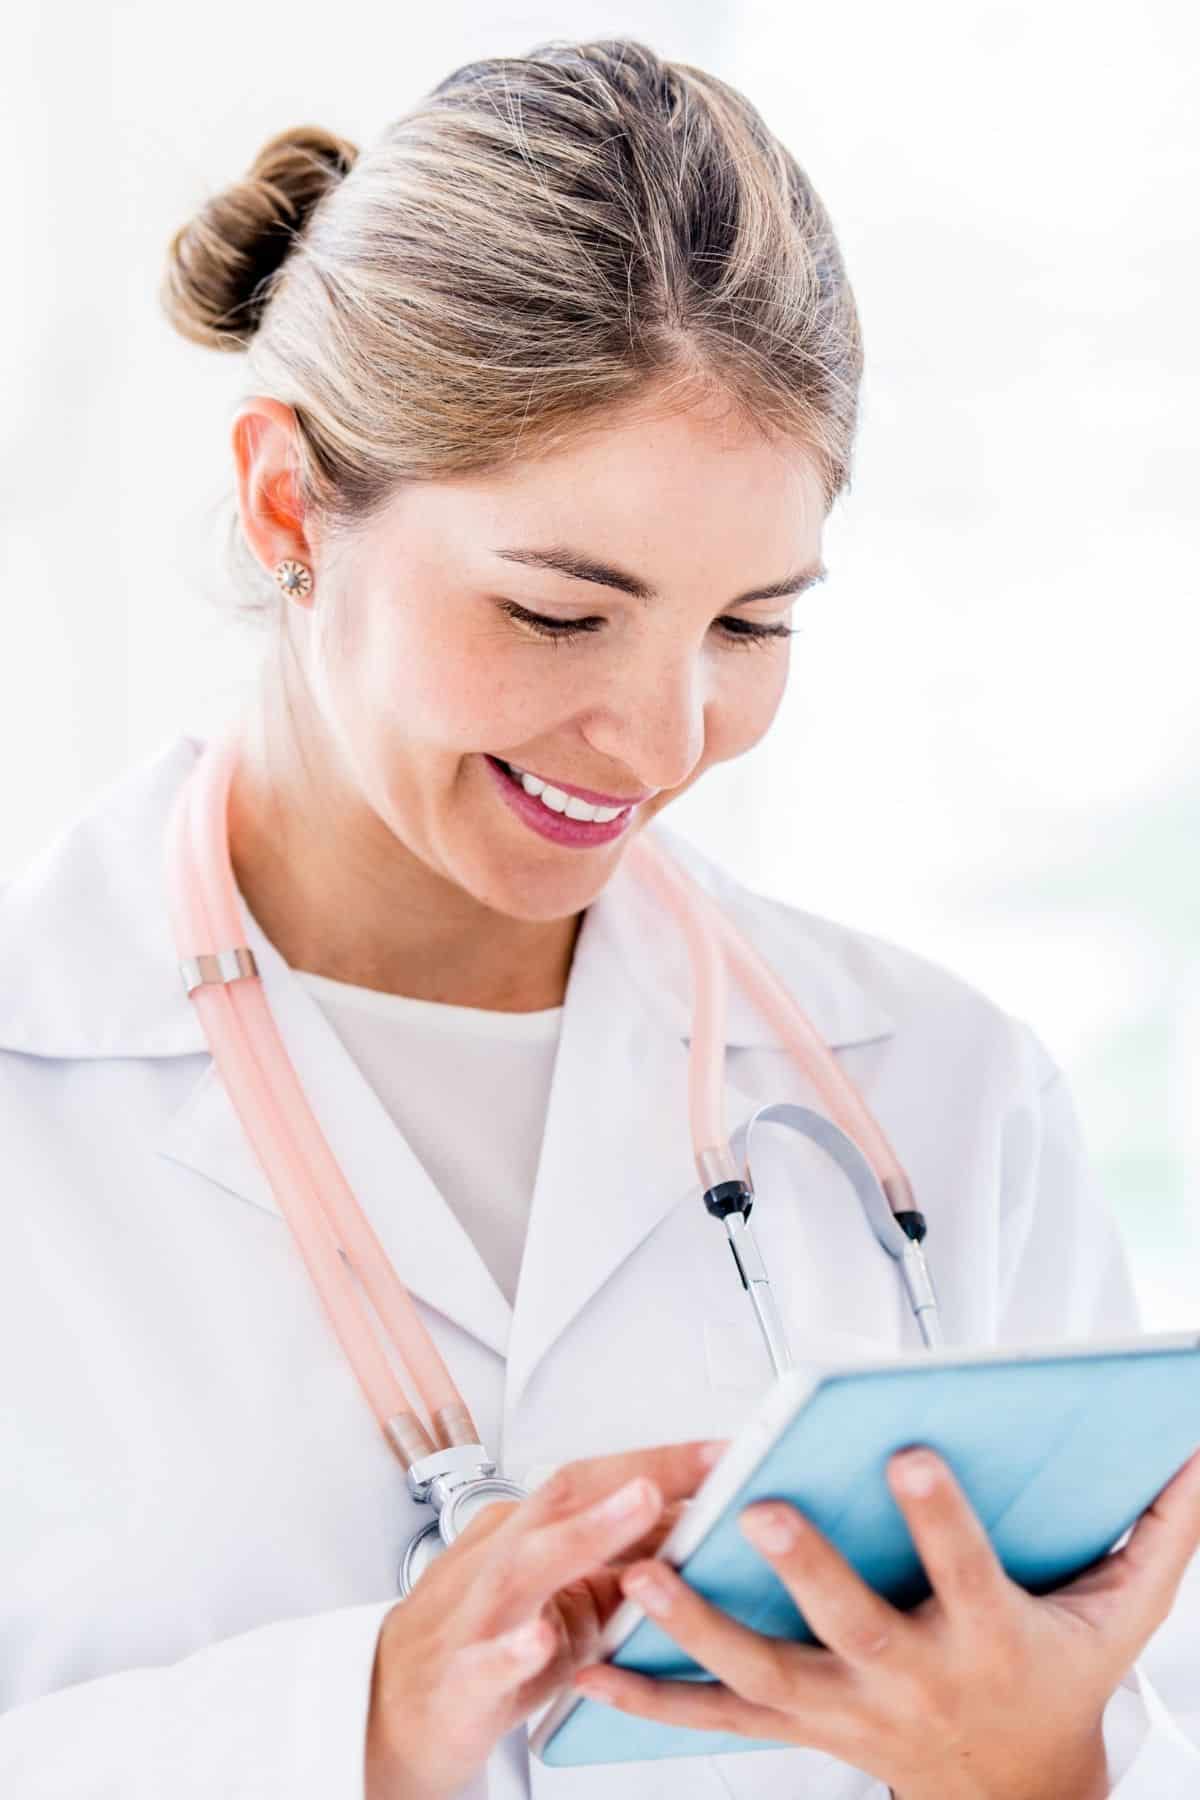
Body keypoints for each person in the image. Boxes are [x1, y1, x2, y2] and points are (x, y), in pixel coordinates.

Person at [1, 34, 1198, 1800]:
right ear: (286, 503)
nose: (659, 739)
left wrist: (1032, 1771)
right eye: (563, 615)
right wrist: (369, 1722)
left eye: (750, 625)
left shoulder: (942, 1100)